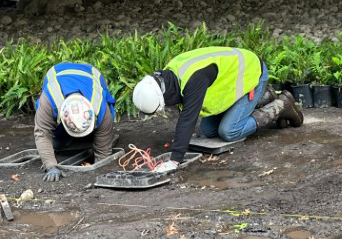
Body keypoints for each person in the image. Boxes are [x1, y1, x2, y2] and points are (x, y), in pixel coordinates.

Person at [133, 47, 303, 173]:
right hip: (231, 82)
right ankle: (264, 97)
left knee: (229, 131)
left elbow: (188, 118)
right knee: (209, 130)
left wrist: (174, 160)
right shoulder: (169, 76)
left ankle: (280, 106)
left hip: (252, 74)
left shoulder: (193, 79)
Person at [34, 62, 116, 182]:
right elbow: (42, 133)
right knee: (57, 144)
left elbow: (103, 153)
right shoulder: (49, 101)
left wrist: (98, 168)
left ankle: (92, 133)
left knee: (103, 131)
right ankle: (66, 135)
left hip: (91, 73)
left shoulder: (100, 107)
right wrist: (50, 166)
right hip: (58, 72)